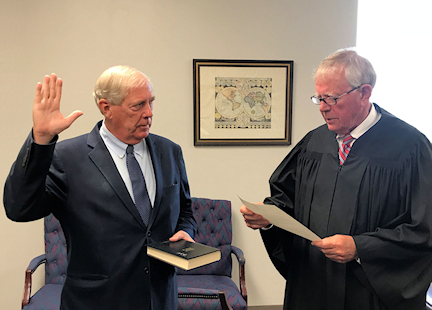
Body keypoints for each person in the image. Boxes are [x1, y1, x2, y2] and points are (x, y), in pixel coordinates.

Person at [241, 49, 432, 310]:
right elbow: (286, 199)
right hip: (311, 286)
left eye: (331, 98)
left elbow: (424, 228)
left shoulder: (409, 148)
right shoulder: (314, 143)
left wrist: (360, 247)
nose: (322, 108)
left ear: (364, 93)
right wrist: (268, 218)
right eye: (318, 98)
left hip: (368, 294)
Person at [4, 66, 197, 310]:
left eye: (151, 103)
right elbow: (19, 208)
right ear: (107, 108)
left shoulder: (170, 151)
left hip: (159, 299)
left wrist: (185, 232)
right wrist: (41, 139)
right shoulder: (67, 158)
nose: (149, 113)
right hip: (96, 301)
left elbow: (185, 211)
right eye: (138, 105)